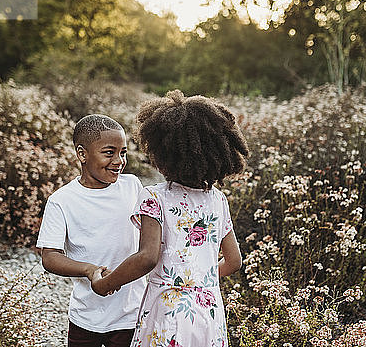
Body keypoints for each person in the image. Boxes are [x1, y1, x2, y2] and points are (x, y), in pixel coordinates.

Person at [90, 90, 248, 347]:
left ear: (163, 153)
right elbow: (233, 261)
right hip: (208, 313)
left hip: (167, 311)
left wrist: (104, 283)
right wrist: (198, 282)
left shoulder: (154, 197)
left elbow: (147, 258)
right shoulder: (218, 200)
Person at [36, 114, 146, 347]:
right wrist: (88, 270)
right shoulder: (62, 200)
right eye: (109, 153)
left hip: (131, 314)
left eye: (123, 152)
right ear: (82, 154)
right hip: (85, 316)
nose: (118, 161)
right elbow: (50, 256)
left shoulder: (133, 186)